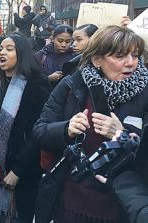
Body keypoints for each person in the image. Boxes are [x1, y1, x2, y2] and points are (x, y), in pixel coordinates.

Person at [33, 25, 148, 223]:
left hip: (124, 207)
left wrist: (123, 134)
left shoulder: (145, 92)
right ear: (97, 60)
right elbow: (40, 131)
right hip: (70, 204)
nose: (131, 63)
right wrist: (66, 129)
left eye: (135, 55)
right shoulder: (72, 85)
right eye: (120, 56)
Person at [0, 34, 50, 223]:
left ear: (21, 53)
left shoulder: (37, 85)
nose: (2, 53)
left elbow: (37, 134)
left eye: (9, 49)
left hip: (25, 170)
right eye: (1, 49)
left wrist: (17, 171)